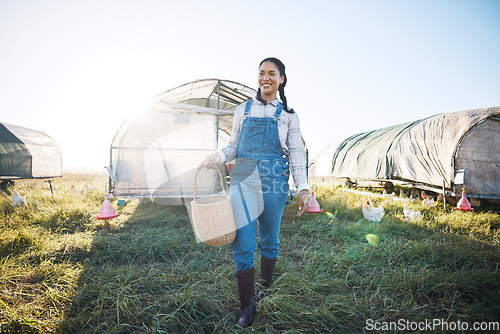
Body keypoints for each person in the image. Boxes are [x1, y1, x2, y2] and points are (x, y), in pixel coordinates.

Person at [199, 57, 309, 328]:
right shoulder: (242, 110)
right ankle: (246, 307)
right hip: (244, 179)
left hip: (275, 181)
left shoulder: (288, 115)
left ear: (281, 79)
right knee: (243, 241)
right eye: (261, 73)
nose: (265, 77)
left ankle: (265, 289)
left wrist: (303, 186)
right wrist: (219, 155)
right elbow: (234, 145)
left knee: (270, 239)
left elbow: (295, 153)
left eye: (272, 73)